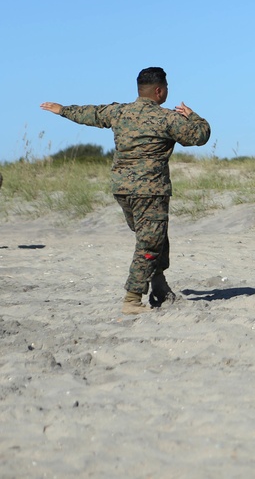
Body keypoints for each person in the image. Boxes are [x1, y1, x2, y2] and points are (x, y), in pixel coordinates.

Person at [40, 67, 211, 314]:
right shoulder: (167, 118)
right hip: (150, 191)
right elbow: (201, 135)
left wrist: (62, 110)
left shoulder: (119, 111)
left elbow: (92, 113)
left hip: (122, 190)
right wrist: (193, 115)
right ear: (160, 91)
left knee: (153, 236)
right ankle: (132, 300)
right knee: (149, 243)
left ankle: (159, 285)